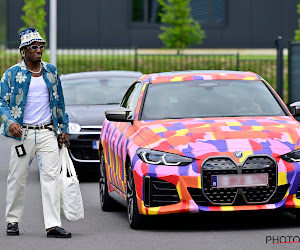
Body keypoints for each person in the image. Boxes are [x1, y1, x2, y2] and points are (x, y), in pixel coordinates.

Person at [0, 28, 71, 238]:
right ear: (24, 50)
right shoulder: (12, 74)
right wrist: (10, 121)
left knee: (51, 178)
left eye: (41, 46)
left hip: (48, 131)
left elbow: (59, 103)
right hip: (23, 135)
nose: (39, 50)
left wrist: (63, 130)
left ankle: (52, 225)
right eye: (34, 47)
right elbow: (2, 103)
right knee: (17, 178)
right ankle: (12, 220)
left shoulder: (51, 71)